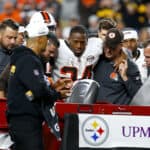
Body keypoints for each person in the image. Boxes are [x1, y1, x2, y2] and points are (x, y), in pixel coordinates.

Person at [6, 22, 72, 150]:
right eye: (47, 38)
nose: (47, 41)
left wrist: (52, 88)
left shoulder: (23, 57)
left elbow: (32, 87)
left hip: (20, 119)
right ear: (40, 39)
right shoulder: (29, 59)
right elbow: (38, 90)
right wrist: (57, 94)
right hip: (26, 121)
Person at [94, 28, 142, 104]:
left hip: (117, 114)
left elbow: (138, 95)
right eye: (107, 46)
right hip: (96, 113)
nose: (108, 50)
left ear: (120, 46)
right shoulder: (97, 60)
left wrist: (125, 77)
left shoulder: (130, 66)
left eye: (112, 47)